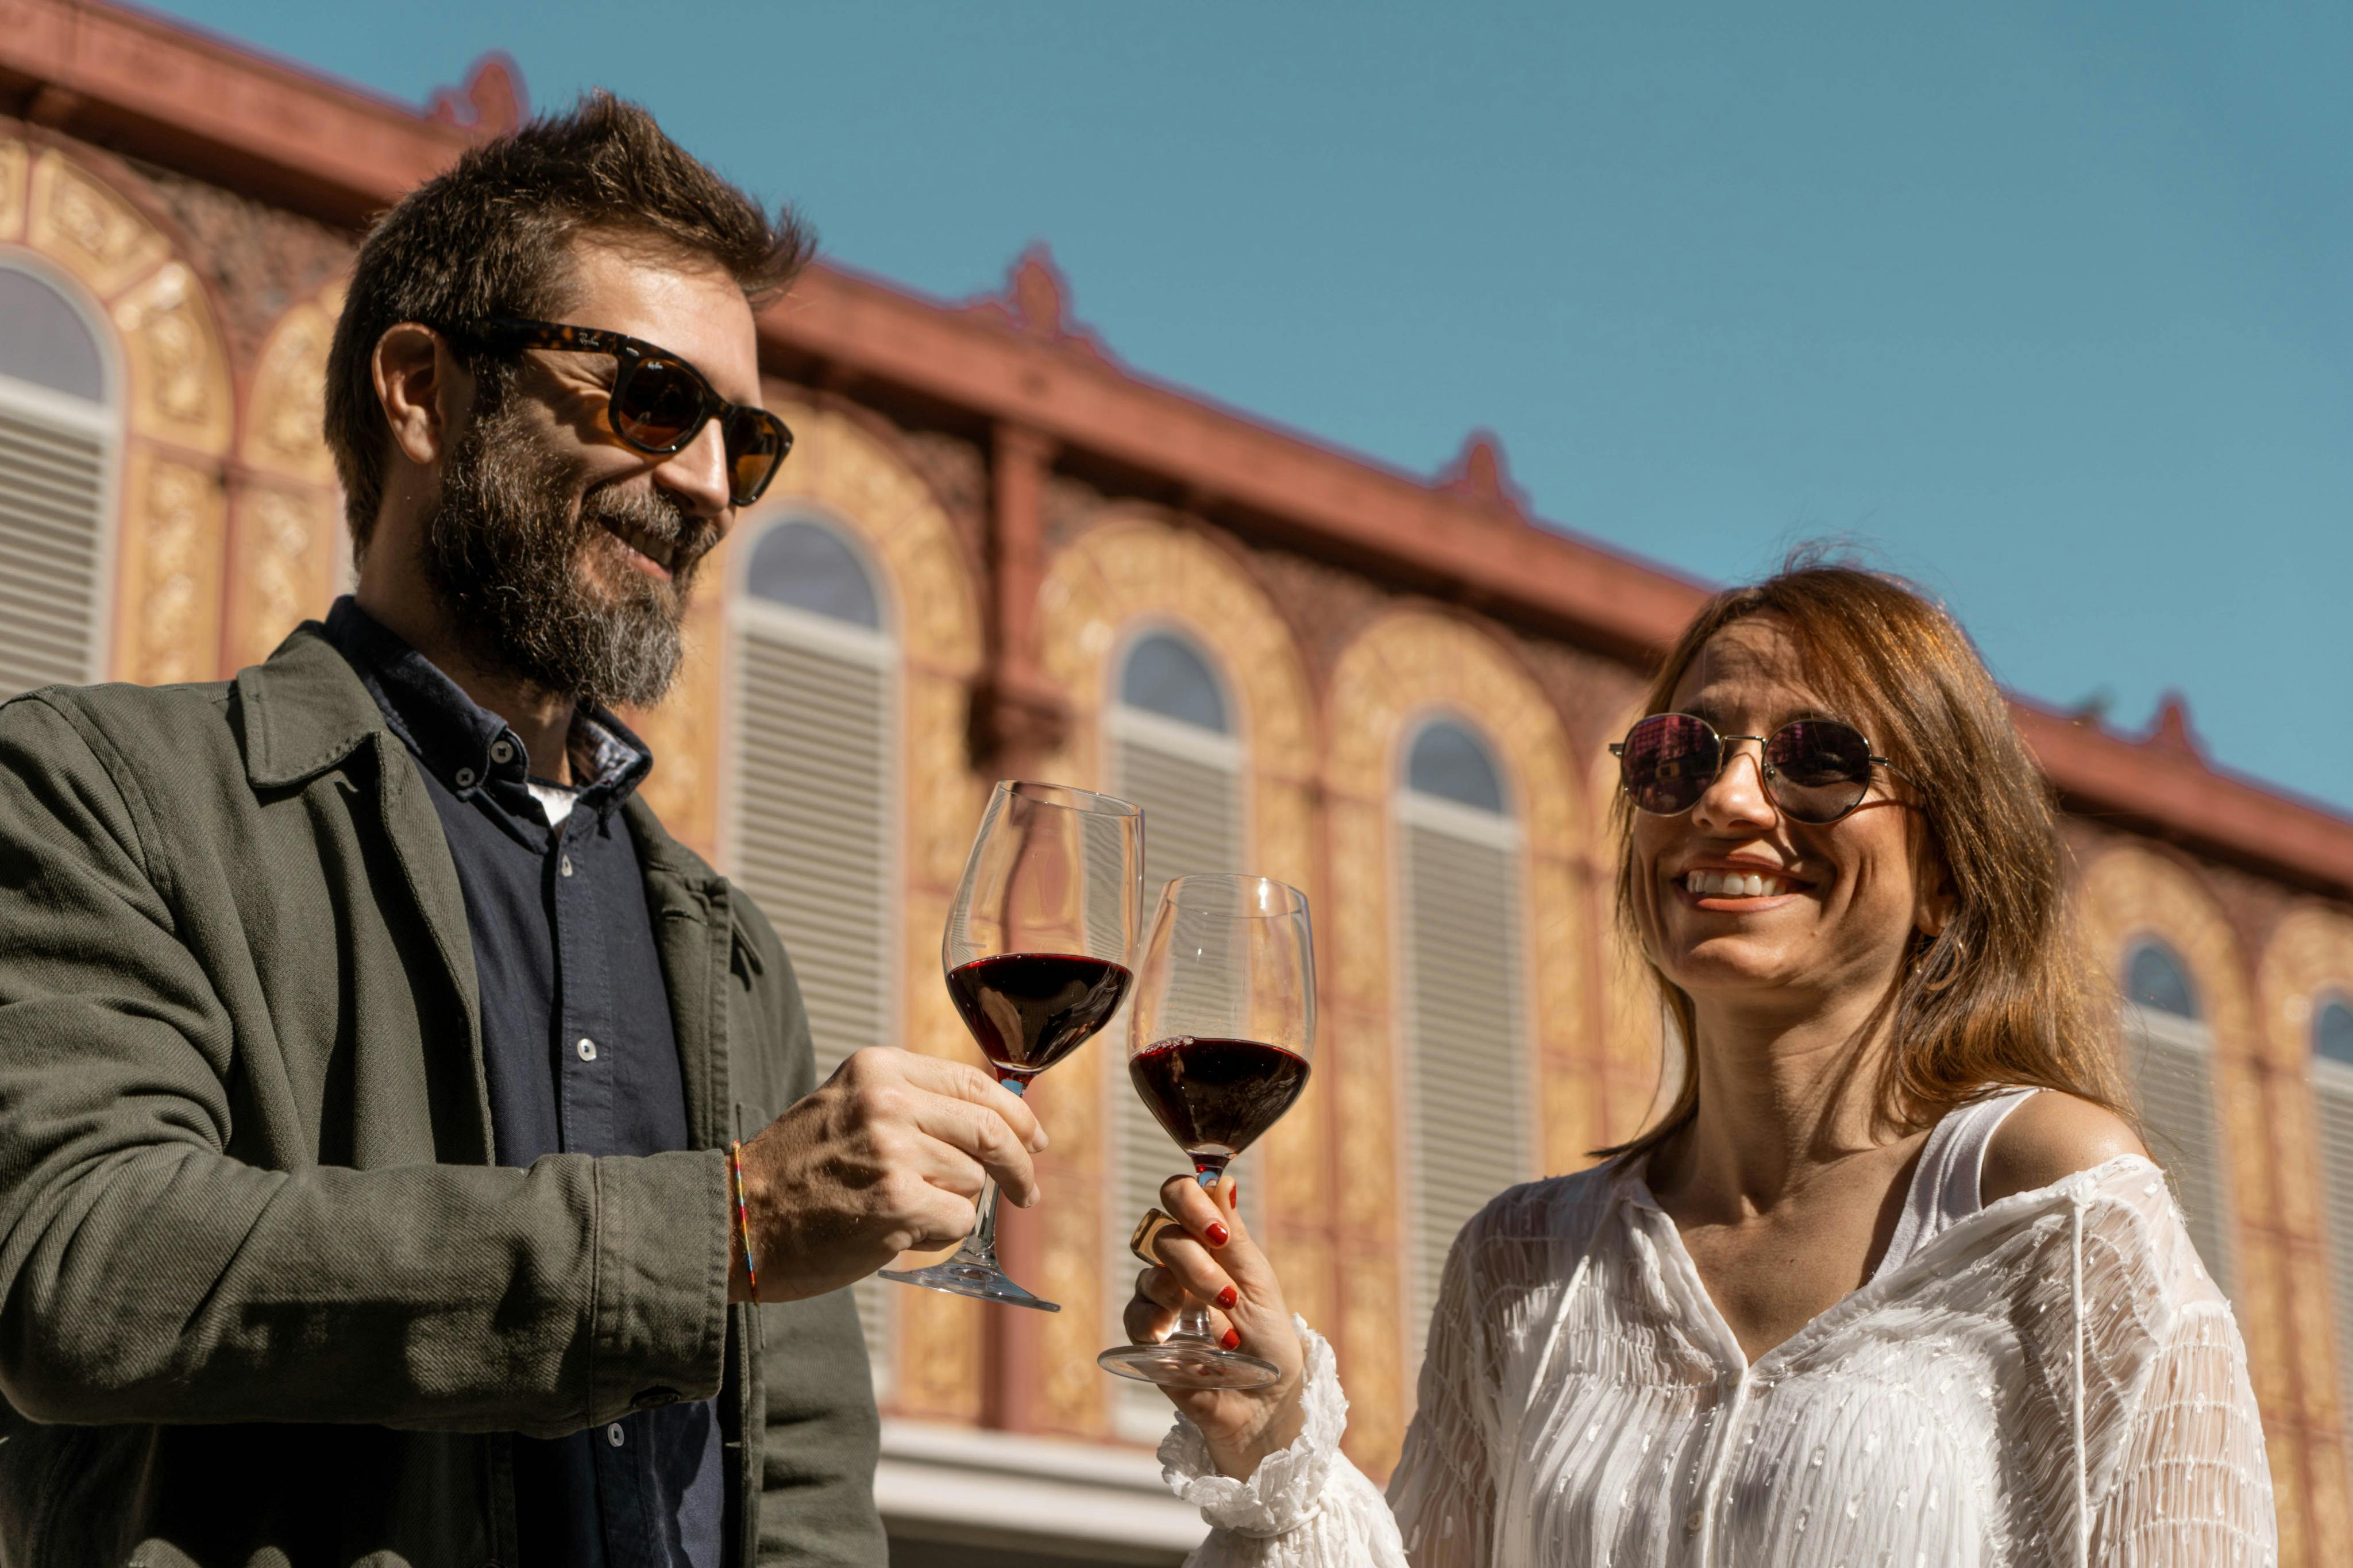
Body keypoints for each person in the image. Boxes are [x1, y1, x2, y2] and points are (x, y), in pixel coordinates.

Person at [0, 96, 1047, 1567]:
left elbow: (803, 1474)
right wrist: (718, 1230)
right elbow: (80, 1267)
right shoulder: (105, 789)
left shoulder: (730, 949)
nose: (701, 484)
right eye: (645, 398)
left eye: (741, 444)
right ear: (422, 391)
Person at [1124, 559, 2277, 1565]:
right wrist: (1266, 1436)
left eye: (1816, 761)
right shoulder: (1522, 1264)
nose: (1724, 800)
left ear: (1944, 873)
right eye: (1679, 756)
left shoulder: (2047, 1202)